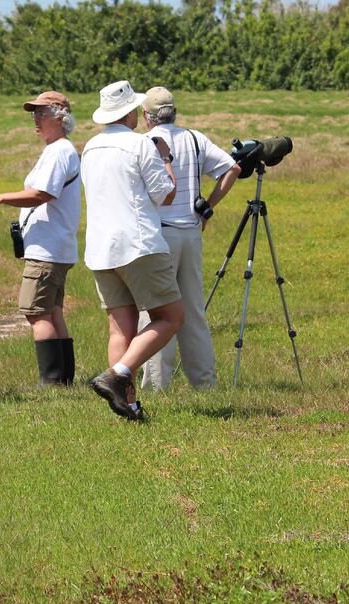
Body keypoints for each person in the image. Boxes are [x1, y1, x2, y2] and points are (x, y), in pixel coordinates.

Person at [81, 80, 183, 421]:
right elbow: (165, 194)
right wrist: (165, 157)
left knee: (120, 328)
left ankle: (128, 405)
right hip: (138, 244)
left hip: (100, 248)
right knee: (170, 317)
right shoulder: (141, 144)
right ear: (130, 113)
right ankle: (118, 374)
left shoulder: (91, 147)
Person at [138, 87, 241, 390]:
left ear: (147, 117)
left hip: (160, 235)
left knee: (157, 312)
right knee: (193, 311)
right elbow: (232, 168)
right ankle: (205, 382)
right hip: (191, 234)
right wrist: (207, 208)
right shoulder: (195, 138)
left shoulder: (145, 142)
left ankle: (155, 386)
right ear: (174, 112)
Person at [0, 91, 81, 385]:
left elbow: (42, 194)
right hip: (54, 247)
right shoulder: (59, 149)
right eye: (33, 114)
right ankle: (63, 380)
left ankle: (52, 382)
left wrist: (0, 198)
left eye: (41, 114)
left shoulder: (59, 152)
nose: (35, 120)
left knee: (35, 313)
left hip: (47, 249)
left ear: (60, 117)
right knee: (52, 311)